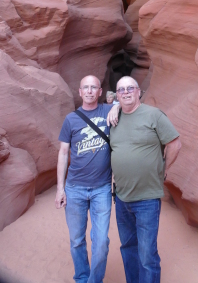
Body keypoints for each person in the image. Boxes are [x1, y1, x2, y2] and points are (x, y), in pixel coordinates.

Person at [110, 76, 181, 283]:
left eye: (129, 88)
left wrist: (163, 170)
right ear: (117, 95)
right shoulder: (113, 118)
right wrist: (114, 108)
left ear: (138, 91)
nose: (125, 92)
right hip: (122, 198)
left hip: (147, 199)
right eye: (121, 89)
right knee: (128, 248)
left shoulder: (153, 115)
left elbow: (174, 144)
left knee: (147, 254)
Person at [55, 75, 119, 283]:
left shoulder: (108, 111)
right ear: (80, 92)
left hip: (101, 188)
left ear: (100, 92)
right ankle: (82, 278)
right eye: (86, 88)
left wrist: (116, 106)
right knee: (76, 241)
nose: (90, 91)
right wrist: (60, 189)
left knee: (101, 242)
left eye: (94, 87)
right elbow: (64, 153)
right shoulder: (71, 119)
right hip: (74, 189)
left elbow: (129, 107)